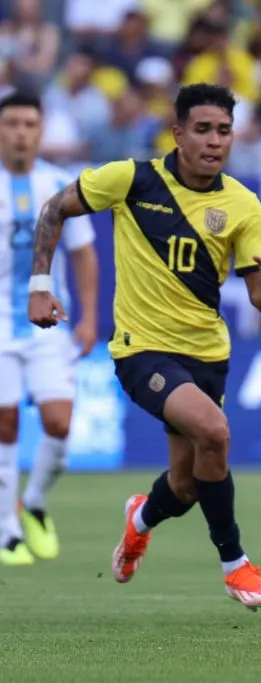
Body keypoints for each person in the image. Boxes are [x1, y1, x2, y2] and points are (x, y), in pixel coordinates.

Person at [27, 83, 261, 611]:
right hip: (141, 350)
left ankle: (140, 519)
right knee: (215, 431)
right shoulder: (130, 179)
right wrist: (39, 284)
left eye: (224, 131)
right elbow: (55, 208)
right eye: (203, 130)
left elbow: (258, 297)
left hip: (209, 354)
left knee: (186, 486)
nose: (215, 142)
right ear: (179, 134)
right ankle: (236, 565)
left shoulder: (242, 203)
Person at [0, 92, 98, 566]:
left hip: (48, 323)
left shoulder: (60, 185)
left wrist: (91, 316)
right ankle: (7, 531)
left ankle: (33, 502)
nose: (20, 131)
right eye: (12, 122)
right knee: (6, 421)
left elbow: (83, 253)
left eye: (29, 124)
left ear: (41, 131)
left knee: (59, 423)